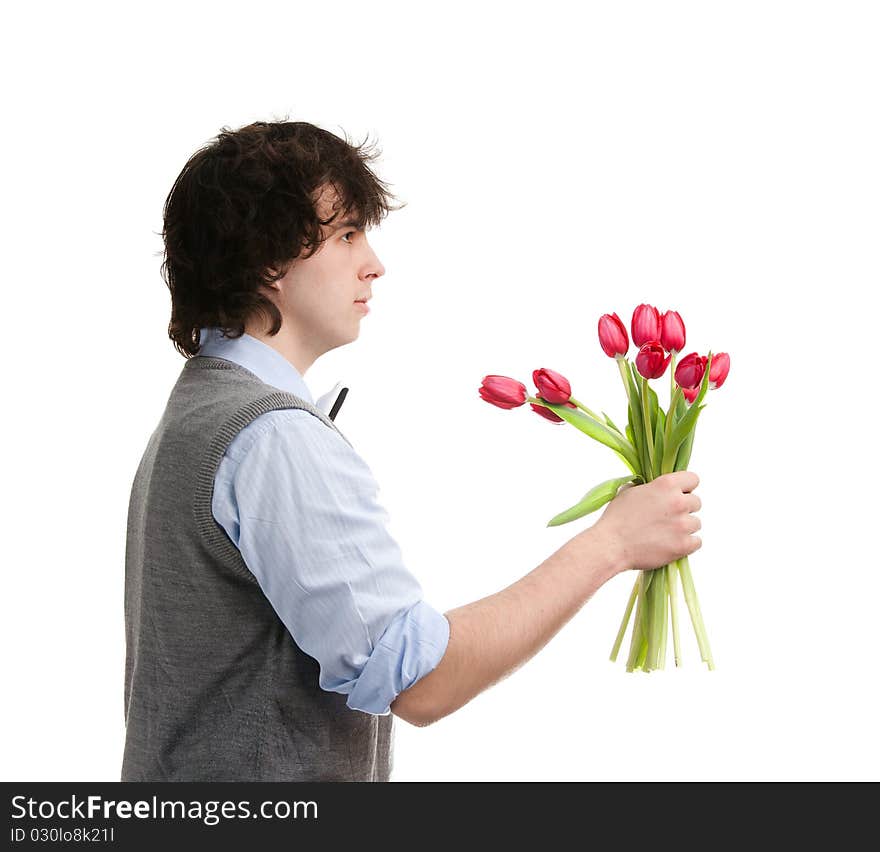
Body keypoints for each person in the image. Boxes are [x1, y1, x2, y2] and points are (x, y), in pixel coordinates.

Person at [122, 119, 703, 782]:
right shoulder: (272, 438)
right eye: (346, 235)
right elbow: (422, 682)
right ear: (267, 263)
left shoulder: (200, 410)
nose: (373, 262)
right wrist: (613, 544)